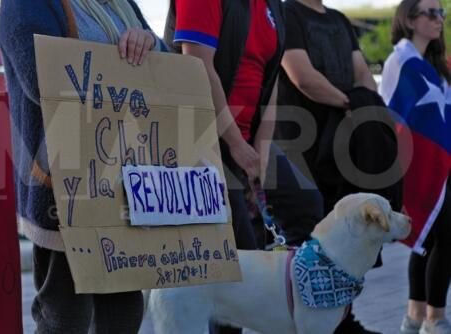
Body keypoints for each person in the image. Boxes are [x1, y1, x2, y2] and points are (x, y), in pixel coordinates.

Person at [0, 0, 166, 333]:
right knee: (65, 313)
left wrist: (149, 43)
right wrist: (125, 70)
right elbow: (41, 78)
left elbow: (168, 71)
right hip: (64, 189)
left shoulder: (121, 3)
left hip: (125, 185)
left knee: (124, 311)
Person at [164, 0, 324, 333]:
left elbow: (273, 79)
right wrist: (236, 144)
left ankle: (288, 309)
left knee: (305, 204)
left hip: (247, 139)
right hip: (197, 135)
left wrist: (261, 151)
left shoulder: (272, 6)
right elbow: (197, 66)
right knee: (240, 249)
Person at [275, 0, 387, 333]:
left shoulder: (339, 20)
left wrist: (368, 110)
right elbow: (302, 76)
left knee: (345, 242)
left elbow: (363, 74)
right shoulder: (287, 13)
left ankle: (342, 320)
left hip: (345, 146)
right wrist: (352, 103)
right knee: (310, 242)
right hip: (301, 144)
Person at [379, 1, 451, 333]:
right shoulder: (400, 61)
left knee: (433, 237)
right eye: (431, 13)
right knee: (435, 236)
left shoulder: (435, 66)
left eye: (442, 13)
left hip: (444, 165)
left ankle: (416, 317)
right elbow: (391, 114)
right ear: (409, 19)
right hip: (418, 166)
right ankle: (433, 319)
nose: (439, 19)